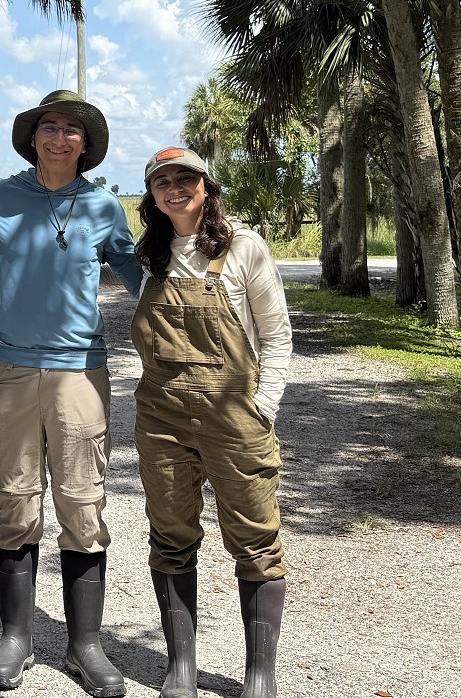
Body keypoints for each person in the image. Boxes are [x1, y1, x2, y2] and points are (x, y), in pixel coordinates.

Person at [0, 90, 142, 698]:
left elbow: (138, 276)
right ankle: (15, 637)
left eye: (72, 129)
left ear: (86, 144)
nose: (60, 137)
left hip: (81, 372)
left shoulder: (104, 206)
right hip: (11, 371)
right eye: (49, 126)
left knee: (82, 504)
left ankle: (85, 646)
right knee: (16, 501)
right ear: (33, 136)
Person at [130, 147, 292, 698]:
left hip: (234, 415)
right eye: (162, 182)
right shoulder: (150, 255)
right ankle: (181, 668)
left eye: (185, 179)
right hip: (162, 416)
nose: (175, 189)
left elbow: (276, 336)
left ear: (206, 185)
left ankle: (260, 673)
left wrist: (262, 407)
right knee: (171, 536)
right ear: (152, 195)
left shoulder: (244, 247)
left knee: (254, 538)